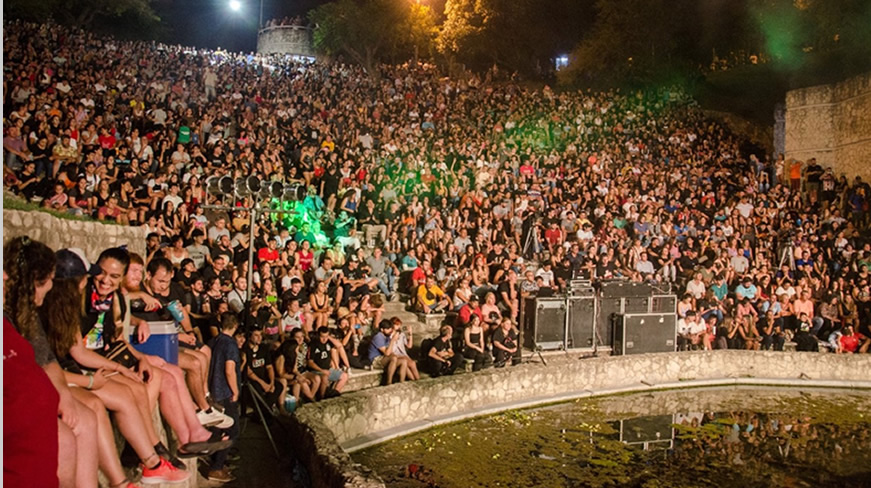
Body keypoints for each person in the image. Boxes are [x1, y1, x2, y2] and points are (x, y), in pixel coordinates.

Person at [206, 313, 242, 483]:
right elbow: (229, 370)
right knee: (232, 430)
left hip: (212, 392)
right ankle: (217, 467)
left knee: (217, 429)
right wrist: (235, 391)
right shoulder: (230, 344)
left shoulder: (213, 341)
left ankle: (217, 462)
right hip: (224, 393)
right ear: (235, 326)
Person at [307, 326, 350, 398]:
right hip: (317, 371)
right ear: (318, 335)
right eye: (322, 337)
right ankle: (322, 396)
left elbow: (339, 345)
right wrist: (322, 370)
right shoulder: (313, 345)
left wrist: (329, 337)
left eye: (326, 336)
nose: (324, 339)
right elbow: (310, 363)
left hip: (328, 369)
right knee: (325, 377)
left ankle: (334, 393)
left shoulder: (328, 342)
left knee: (345, 376)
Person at [368, 319, 409, 385]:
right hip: (375, 360)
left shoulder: (387, 336)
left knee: (403, 361)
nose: (390, 330)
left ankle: (402, 382)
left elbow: (390, 351)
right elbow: (387, 353)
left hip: (383, 358)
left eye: (391, 328)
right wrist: (393, 340)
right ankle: (389, 382)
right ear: (382, 329)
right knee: (393, 358)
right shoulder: (378, 337)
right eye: (388, 329)